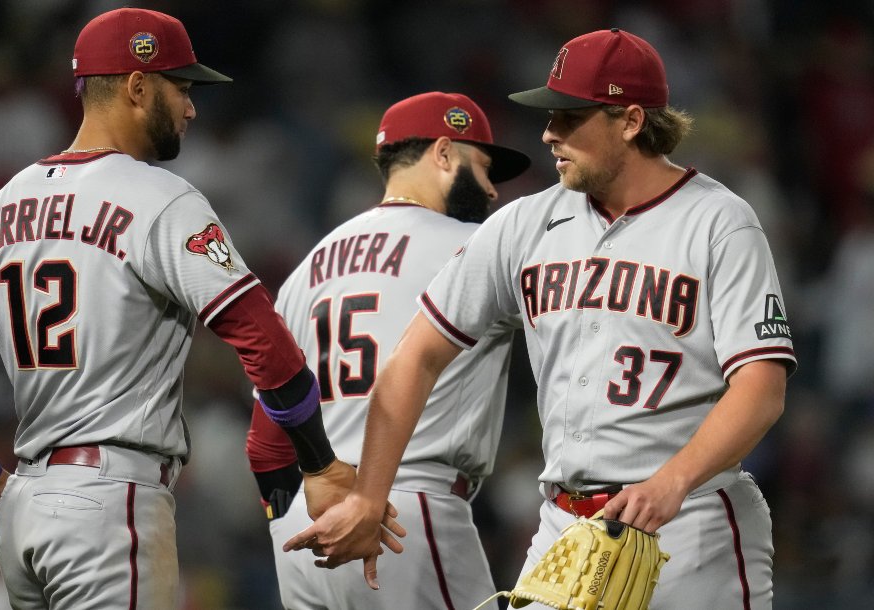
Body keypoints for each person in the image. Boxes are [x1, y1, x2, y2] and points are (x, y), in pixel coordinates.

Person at [284, 28, 796, 609]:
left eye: (570, 116)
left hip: (693, 526)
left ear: (630, 121)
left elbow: (761, 388)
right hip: (565, 530)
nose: (549, 132)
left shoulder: (718, 221)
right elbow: (416, 355)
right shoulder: (526, 223)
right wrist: (370, 496)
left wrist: (672, 481)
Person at [0, 8, 385, 609]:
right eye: (181, 87)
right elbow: (266, 343)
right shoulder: (161, 199)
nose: (191, 107)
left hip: (24, 511)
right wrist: (320, 461)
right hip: (111, 503)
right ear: (136, 86)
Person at [246, 92, 530, 608]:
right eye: (484, 167)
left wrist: (281, 520)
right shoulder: (474, 244)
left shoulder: (309, 264)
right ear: (443, 154)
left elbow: (266, 437)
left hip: (307, 526)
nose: (491, 189)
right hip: (403, 513)